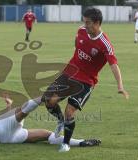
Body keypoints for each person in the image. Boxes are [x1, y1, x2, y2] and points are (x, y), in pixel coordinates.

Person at [41, 7, 129, 152]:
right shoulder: (81, 31)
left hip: (86, 81)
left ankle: (66, 143)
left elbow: (114, 65)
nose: (85, 25)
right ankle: (60, 121)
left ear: (97, 23)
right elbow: (78, 44)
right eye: (84, 22)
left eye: (88, 22)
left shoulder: (104, 44)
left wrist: (120, 86)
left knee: (70, 111)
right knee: (49, 100)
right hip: (69, 73)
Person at [0, 83, 101, 147]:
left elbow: (3, 119)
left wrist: (8, 105)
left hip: (9, 137)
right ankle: (47, 97)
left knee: (47, 135)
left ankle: (81, 142)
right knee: (23, 110)